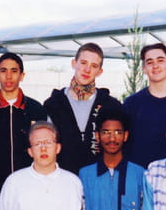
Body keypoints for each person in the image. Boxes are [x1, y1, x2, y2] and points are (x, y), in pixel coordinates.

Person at [78, 107, 155, 210]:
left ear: (125, 136)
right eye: (106, 132)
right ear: (97, 136)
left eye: (117, 132)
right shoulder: (85, 175)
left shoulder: (140, 174)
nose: (112, 138)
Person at [43, 43, 122, 173]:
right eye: (83, 63)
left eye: (94, 66)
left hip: (100, 178)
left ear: (100, 71)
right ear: (74, 63)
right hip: (62, 178)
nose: (87, 70)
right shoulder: (53, 105)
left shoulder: (111, 106)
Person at [0, 52, 48, 183]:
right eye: (3, 71)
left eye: (14, 71)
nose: (8, 76)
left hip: (31, 182)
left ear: (22, 75)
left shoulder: (36, 110)